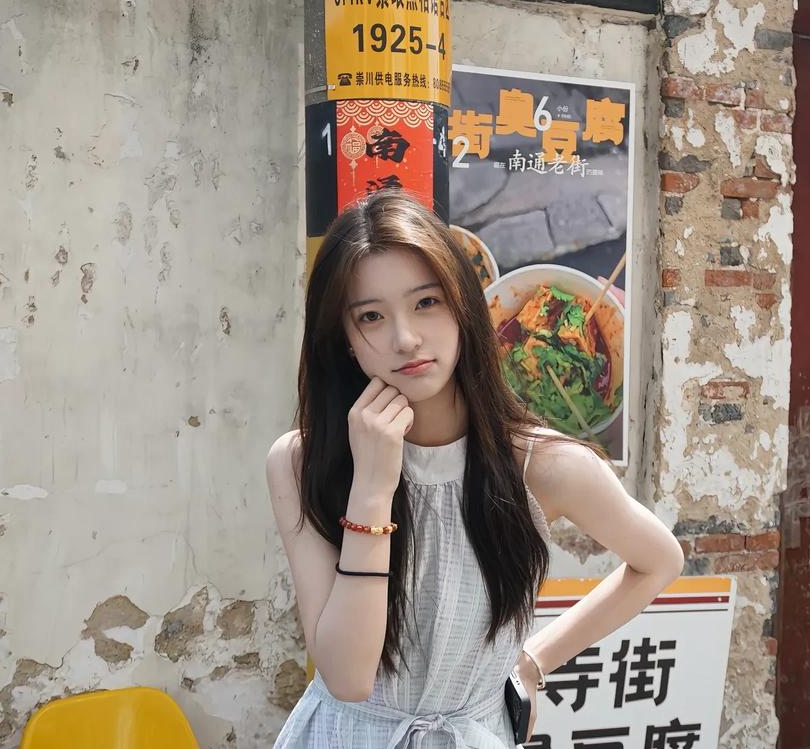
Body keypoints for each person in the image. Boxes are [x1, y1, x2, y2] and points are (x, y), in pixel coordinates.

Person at [266, 189, 683, 748]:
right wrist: (372, 486)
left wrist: (534, 661)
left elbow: (659, 561)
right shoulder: (301, 461)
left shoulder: (537, 464)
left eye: (426, 303)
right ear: (344, 340)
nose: (405, 338)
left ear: (463, 305)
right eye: (371, 316)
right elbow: (347, 678)